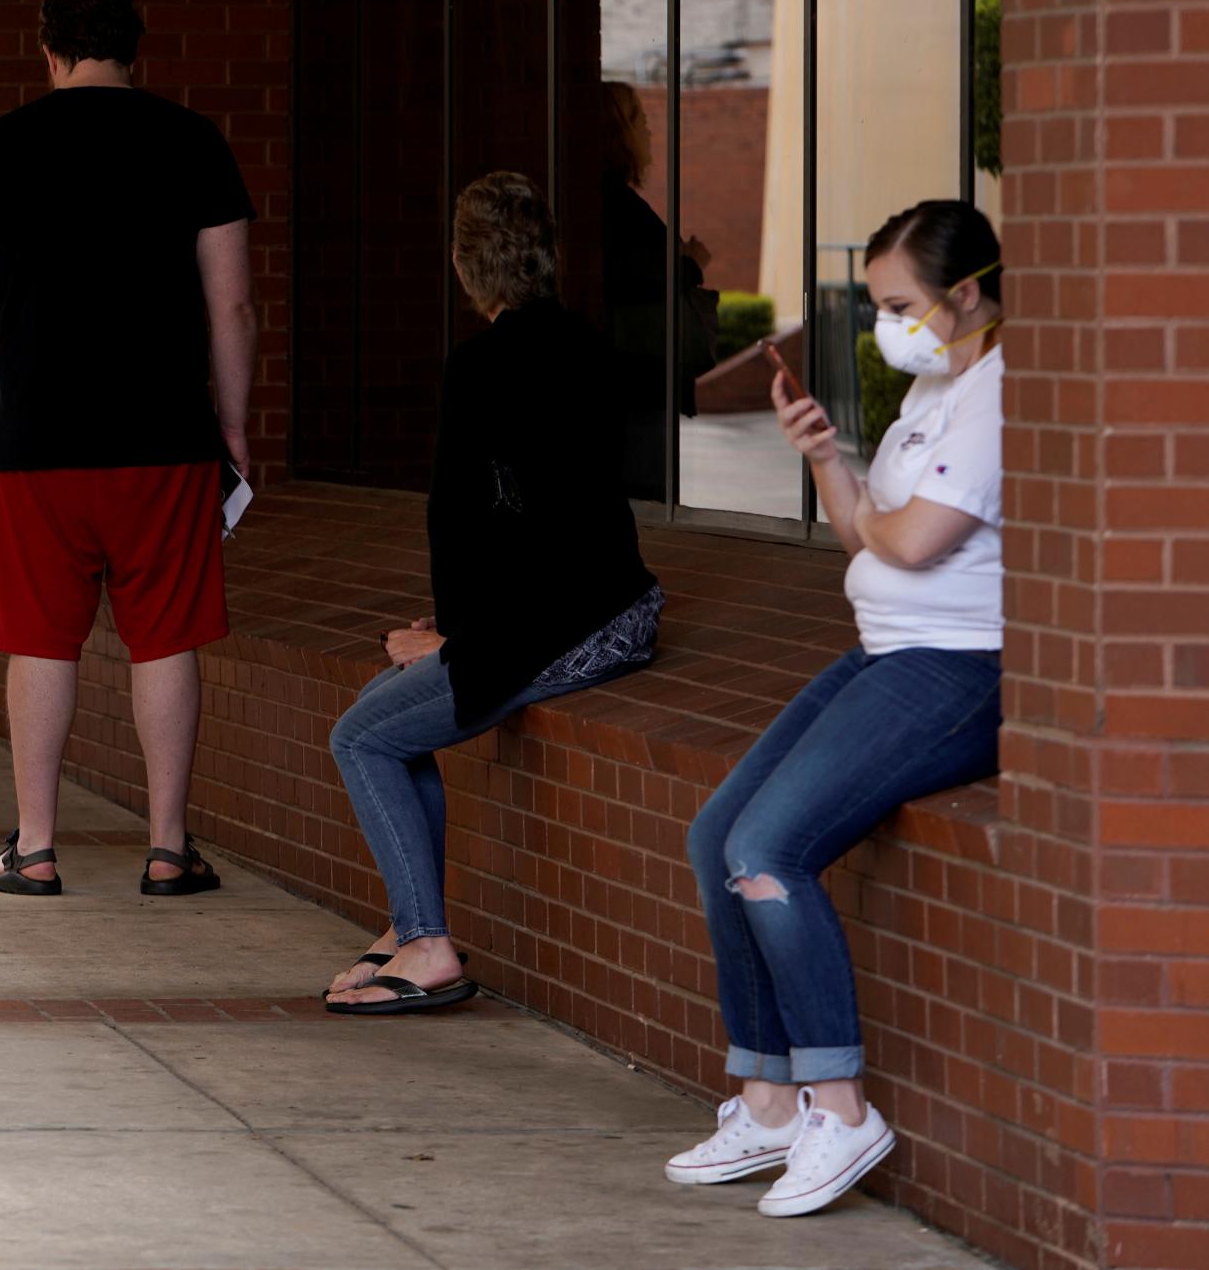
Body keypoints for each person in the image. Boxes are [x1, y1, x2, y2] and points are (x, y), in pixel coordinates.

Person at [667, 199, 1003, 1218]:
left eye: (900, 303)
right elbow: (868, 527)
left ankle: (839, 1104)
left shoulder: (1000, 395)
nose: (885, 323)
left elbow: (909, 543)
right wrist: (821, 450)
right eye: (875, 305)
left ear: (970, 292)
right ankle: (768, 1096)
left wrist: (883, 519)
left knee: (768, 848)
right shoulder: (933, 390)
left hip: (954, 672)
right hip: (883, 653)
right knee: (716, 830)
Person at [0, 0, 255, 895]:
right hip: (165, 437)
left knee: (41, 640)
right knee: (165, 641)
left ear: (51, 52)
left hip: (40, 442)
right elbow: (231, 302)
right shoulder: (192, 141)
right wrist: (232, 421)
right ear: (133, 51)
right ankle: (167, 847)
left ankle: (33, 848)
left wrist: (29, 282)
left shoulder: (5, 144)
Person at [320, 171, 663, 1009]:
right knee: (384, 706)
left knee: (360, 738)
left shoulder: (479, 366)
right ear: (545, 256)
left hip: (556, 623)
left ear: (464, 265)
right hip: (618, 606)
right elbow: (552, 516)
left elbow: (467, 522)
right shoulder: (588, 346)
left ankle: (429, 945)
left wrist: (456, 643)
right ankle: (408, 922)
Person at [597, 82, 718, 499]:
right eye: (642, 122)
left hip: (631, 376)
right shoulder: (614, 205)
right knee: (643, 502)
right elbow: (635, 280)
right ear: (621, 130)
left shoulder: (609, 201)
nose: (649, 134)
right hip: (636, 377)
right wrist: (691, 264)